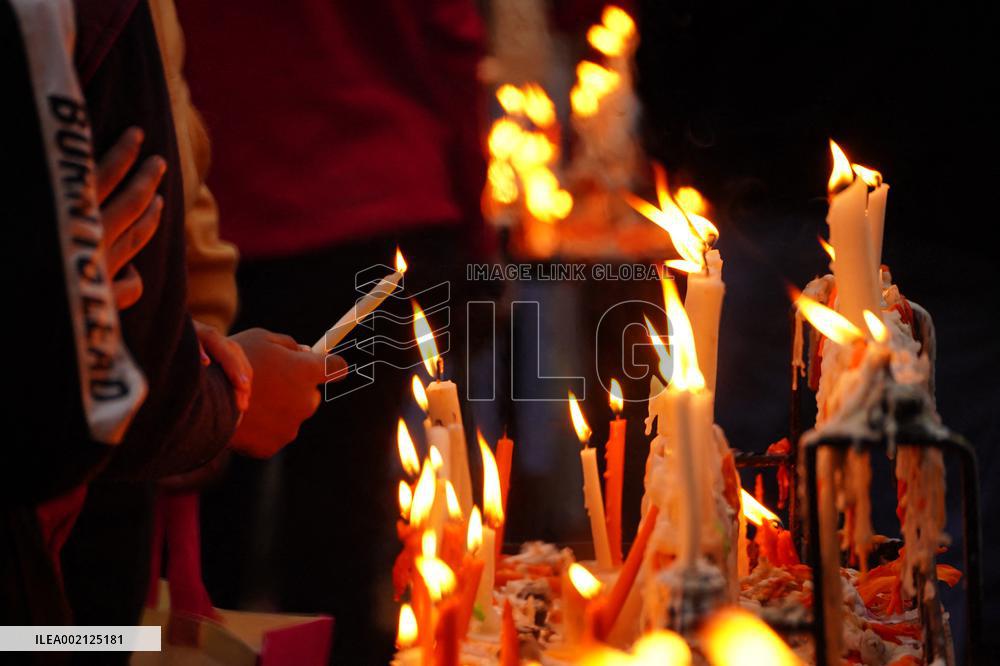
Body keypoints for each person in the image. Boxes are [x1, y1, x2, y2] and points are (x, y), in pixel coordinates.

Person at [0, 1, 340, 656]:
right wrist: (214, 400)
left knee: (97, 632)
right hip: (65, 457)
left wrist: (199, 350)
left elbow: (179, 153)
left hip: (121, 424)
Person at [176, 0, 489, 661]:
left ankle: (208, 651)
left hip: (226, 206)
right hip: (364, 196)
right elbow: (451, 41)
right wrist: (474, 229)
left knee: (208, 505)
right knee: (341, 507)